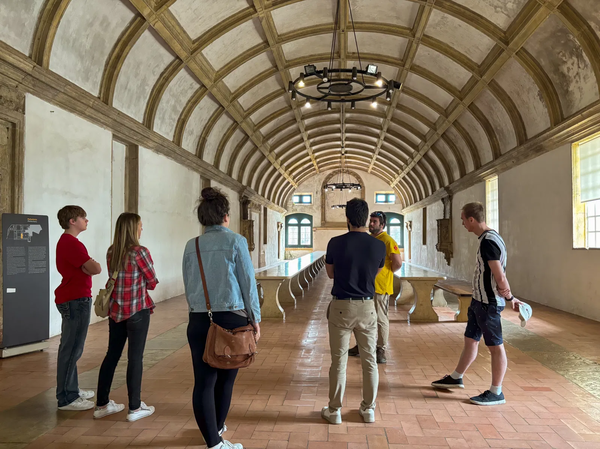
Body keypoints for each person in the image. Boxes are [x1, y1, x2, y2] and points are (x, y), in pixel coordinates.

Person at [183, 187, 261, 449]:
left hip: (198, 319)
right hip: (231, 319)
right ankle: (215, 438)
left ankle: (213, 433)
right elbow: (248, 284)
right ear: (226, 216)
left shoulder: (192, 245)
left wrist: (196, 311)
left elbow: (188, 283)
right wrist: (255, 319)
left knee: (203, 382)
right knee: (226, 379)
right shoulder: (236, 241)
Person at [431, 202, 524, 405]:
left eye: (463, 220)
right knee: (471, 340)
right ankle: (456, 377)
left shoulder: (488, 241)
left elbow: (499, 276)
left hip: (488, 303)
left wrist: (510, 298)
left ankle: (496, 392)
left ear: (471, 219)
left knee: (495, 347)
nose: (463, 224)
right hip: (478, 301)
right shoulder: (488, 237)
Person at [322, 198, 386, 425]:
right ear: (367, 219)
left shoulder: (335, 243)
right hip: (367, 306)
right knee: (369, 361)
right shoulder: (378, 245)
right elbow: (376, 272)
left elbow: (330, 274)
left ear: (347, 218)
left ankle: (334, 410)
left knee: (338, 361)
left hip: (341, 305)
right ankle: (368, 409)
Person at [94, 213, 158, 421]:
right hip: (137, 309)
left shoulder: (112, 251)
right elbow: (152, 281)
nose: (142, 228)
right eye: (140, 225)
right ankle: (135, 407)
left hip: (116, 311)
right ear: (133, 228)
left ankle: (102, 404)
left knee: (112, 355)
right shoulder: (140, 252)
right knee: (135, 357)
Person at [55, 205, 102, 411]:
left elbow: (89, 268)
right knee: (72, 348)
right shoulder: (71, 243)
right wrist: (89, 265)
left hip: (74, 298)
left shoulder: (70, 242)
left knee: (71, 346)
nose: (86, 220)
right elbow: (95, 268)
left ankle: (71, 388)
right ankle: (67, 397)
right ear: (72, 221)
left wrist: (87, 266)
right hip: (75, 299)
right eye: (83, 217)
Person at [348, 211, 402, 363]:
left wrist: (385, 273)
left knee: (380, 319)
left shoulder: (388, 241)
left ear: (382, 225)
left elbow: (397, 263)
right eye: (370, 221)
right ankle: (361, 345)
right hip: (365, 286)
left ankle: (380, 349)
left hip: (381, 286)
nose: (371, 224)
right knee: (362, 317)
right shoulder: (368, 239)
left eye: (375, 222)